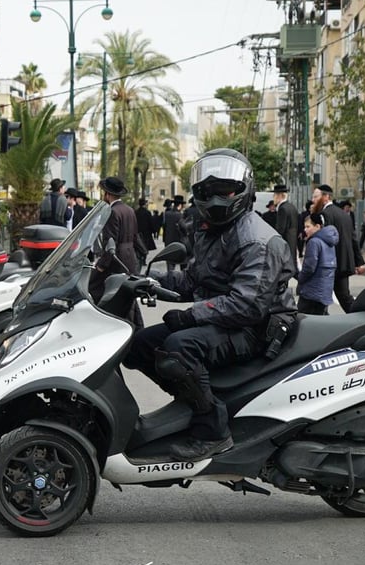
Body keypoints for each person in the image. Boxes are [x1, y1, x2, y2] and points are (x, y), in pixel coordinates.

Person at [124, 149, 295, 462]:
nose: (217, 198)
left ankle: (213, 430)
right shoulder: (211, 231)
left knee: (178, 348)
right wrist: (143, 281)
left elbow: (247, 305)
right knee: (139, 344)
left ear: (243, 191)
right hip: (226, 319)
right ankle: (195, 401)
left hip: (257, 328)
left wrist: (191, 316)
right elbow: (193, 280)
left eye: (225, 191)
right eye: (209, 191)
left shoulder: (257, 240)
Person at [88, 176, 139, 308]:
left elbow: (110, 241)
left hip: (116, 261)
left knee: (93, 286)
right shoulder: (129, 210)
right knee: (127, 297)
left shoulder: (112, 212)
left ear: (108, 194)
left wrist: (101, 266)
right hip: (130, 259)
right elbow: (134, 237)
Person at [312, 184, 360, 312]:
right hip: (344, 261)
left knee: (323, 296)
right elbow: (353, 238)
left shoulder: (325, 214)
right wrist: (359, 261)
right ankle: (358, 316)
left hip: (330, 263)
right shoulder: (344, 214)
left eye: (316, 196)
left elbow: (325, 240)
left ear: (326, 197)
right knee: (344, 296)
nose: (313, 200)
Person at [296, 212, 337, 315]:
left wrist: (300, 278)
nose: (305, 230)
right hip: (325, 289)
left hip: (312, 291)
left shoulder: (314, 242)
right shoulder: (330, 242)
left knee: (302, 321)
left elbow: (309, 267)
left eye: (308, 226)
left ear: (317, 226)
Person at [273, 184, 300, 265]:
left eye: (274, 195)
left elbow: (280, 229)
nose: (273, 197)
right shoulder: (292, 207)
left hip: (285, 243)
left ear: (280, 196)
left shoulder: (282, 209)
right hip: (293, 242)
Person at [134, 197, 156, 268]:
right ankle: (144, 259)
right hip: (146, 232)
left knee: (139, 246)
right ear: (145, 204)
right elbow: (151, 222)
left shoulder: (136, 212)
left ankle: (140, 258)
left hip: (138, 231)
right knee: (145, 246)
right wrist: (153, 230)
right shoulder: (147, 212)